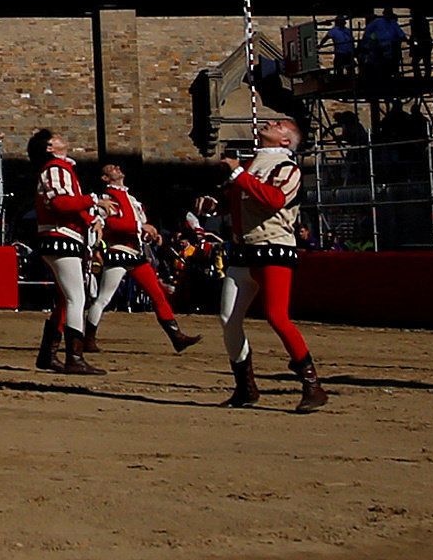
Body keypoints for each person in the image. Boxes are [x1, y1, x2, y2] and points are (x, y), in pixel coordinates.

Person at [217, 119, 328, 413]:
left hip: (274, 246)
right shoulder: (252, 164)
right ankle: (245, 387)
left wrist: (238, 174)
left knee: (277, 316)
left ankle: (312, 384)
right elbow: (244, 202)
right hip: (245, 248)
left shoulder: (287, 168)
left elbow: (274, 199)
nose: (269, 122)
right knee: (228, 319)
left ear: (285, 141)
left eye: (278, 124)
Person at [94, 162, 198, 352]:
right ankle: (87, 339)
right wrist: (141, 228)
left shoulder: (131, 199)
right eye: (110, 169)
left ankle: (177, 336)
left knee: (157, 293)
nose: (117, 168)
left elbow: (136, 225)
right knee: (104, 298)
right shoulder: (107, 197)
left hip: (136, 252)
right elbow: (115, 225)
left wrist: (148, 233)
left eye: (116, 167)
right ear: (105, 178)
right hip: (118, 251)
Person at [27, 129, 101, 376]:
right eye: (56, 137)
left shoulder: (59, 169)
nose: (62, 138)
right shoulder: (57, 169)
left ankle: (48, 355)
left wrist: (90, 218)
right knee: (76, 298)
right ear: (49, 147)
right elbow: (60, 203)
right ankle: (74, 357)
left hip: (60, 237)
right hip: (61, 238)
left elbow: (66, 205)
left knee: (65, 298)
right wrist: (92, 200)